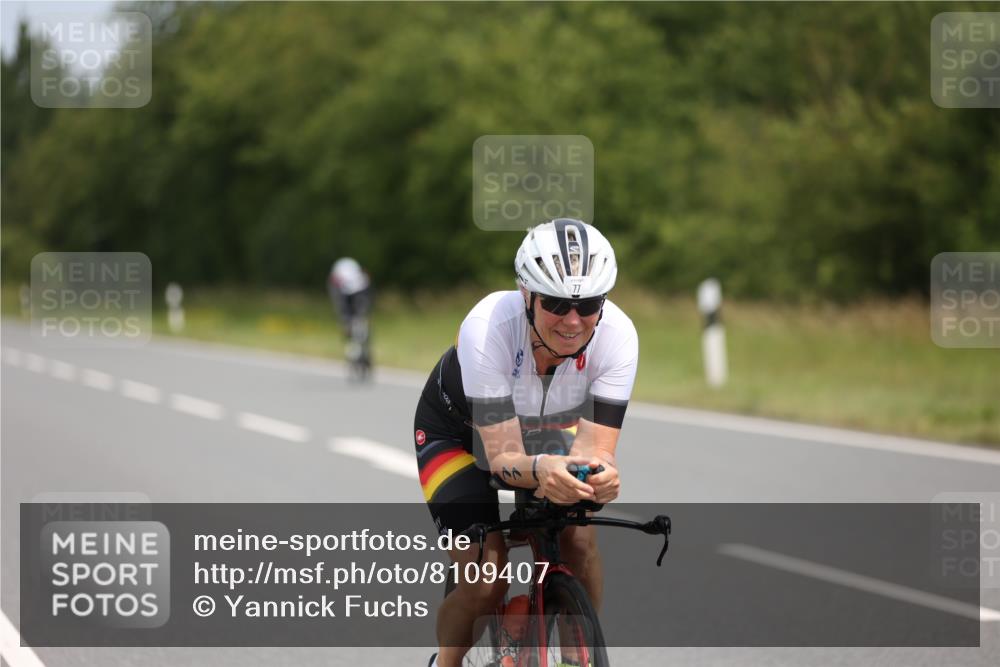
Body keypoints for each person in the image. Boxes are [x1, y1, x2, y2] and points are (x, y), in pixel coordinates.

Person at [413, 219, 638, 667]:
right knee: (485, 580)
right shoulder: (488, 326)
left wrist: (602, 476)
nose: (573, 321)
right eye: (556, 303)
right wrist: (541, 473)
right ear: (526, 295)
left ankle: (579, 653)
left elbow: (597, 449)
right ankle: (447, 663)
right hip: (458, 435)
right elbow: (502, 458)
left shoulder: (619, 337)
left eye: (589, 303)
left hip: (546, 429)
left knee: (579, 538)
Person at [328, 257, 374, 374]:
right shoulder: (335, 283)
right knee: (346, 321)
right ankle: (351, 347)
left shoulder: (363, 280)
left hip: (359, 295)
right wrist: (345, 321)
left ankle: (366, 354)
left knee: (363, 322)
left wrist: (362, 315)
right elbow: (340, 305)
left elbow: (366, 300)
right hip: (342, 297)